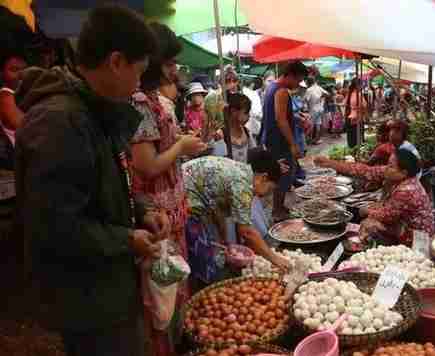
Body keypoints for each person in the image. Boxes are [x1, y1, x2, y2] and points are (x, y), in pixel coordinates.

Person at [16, 5, 165, 356]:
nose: (138, 85)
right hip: (86, 295)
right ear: (116, 62)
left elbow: (102, 185)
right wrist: (127, 238)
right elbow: (53, 224)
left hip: (107, 283)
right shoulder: (59, 122)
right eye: (138, 73)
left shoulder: (93, 109)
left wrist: (140, 209)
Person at [129, 22, 206, 356]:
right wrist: (182, 147)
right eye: (170, 62)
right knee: (162, 288)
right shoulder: (139, 104)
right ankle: (166, 347)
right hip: (156, 210)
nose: (175, 69)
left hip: (172, 205)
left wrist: (182, 145)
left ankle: (178, 340)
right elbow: (146, 164)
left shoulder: (155, 100)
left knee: (176, 278)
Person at [183, 149, 290, 285]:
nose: (266, 194)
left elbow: (217, 210)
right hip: (184, 198)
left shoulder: (241, 172)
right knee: (202, 258)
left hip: (187, 190)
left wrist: (225, 239)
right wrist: (275, 259)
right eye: (269, 188)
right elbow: (246, 232)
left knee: (204, 250)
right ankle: (205, 287)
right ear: (263, 177)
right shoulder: (243, 185)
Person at [315, 148, 433, 247]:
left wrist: (366, 211)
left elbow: (386, 217)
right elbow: (366, 170)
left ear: (404, 172)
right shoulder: (397, 175)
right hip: (403, 223)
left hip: (417, 238)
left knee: (370, 224)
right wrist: (330, 163)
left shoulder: (407, 190)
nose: (386, 168)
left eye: (391, 166)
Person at [259, 61, 308, 222]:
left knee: (281, 173)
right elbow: (281, 120)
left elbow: (278, 115)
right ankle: (277, 211)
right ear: (290, 75)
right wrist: (293, 144)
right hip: (278, 141)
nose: (297, 84)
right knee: (283, 174)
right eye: (298, 80)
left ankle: (279, 207)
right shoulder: (281, 91)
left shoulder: (271, 87)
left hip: (272, 138)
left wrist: (296, 118)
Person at [0, 44, 26, 170]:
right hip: (17, 164)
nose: (20, 75)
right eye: (14, 70)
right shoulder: (5, 95)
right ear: (2, 73)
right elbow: (25, 125)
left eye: (23, 70)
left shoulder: (20, 95)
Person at [304, 77, 329, 145]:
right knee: (317, 124)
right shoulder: (318, 87)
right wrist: (321, 98)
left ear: (308, 82)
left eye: (306, 82)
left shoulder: (309, 90)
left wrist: (305, 107)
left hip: (313, 109)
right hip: (320, 108)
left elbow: (306, 100)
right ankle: (316, 140)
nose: (306, 84)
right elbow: (327, 94)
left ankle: (306, 140)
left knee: (310, 125)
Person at [345, 77, 368, 148]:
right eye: (361, 84)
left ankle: (351, 153)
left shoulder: (349, 94)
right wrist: (365, 115)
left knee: (351, 140)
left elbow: (345, 104)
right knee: (358, 141)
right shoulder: (359, 95)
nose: (362, 86)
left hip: (349, 118)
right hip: (357, 119)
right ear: (358, 85)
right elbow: (364, 106)